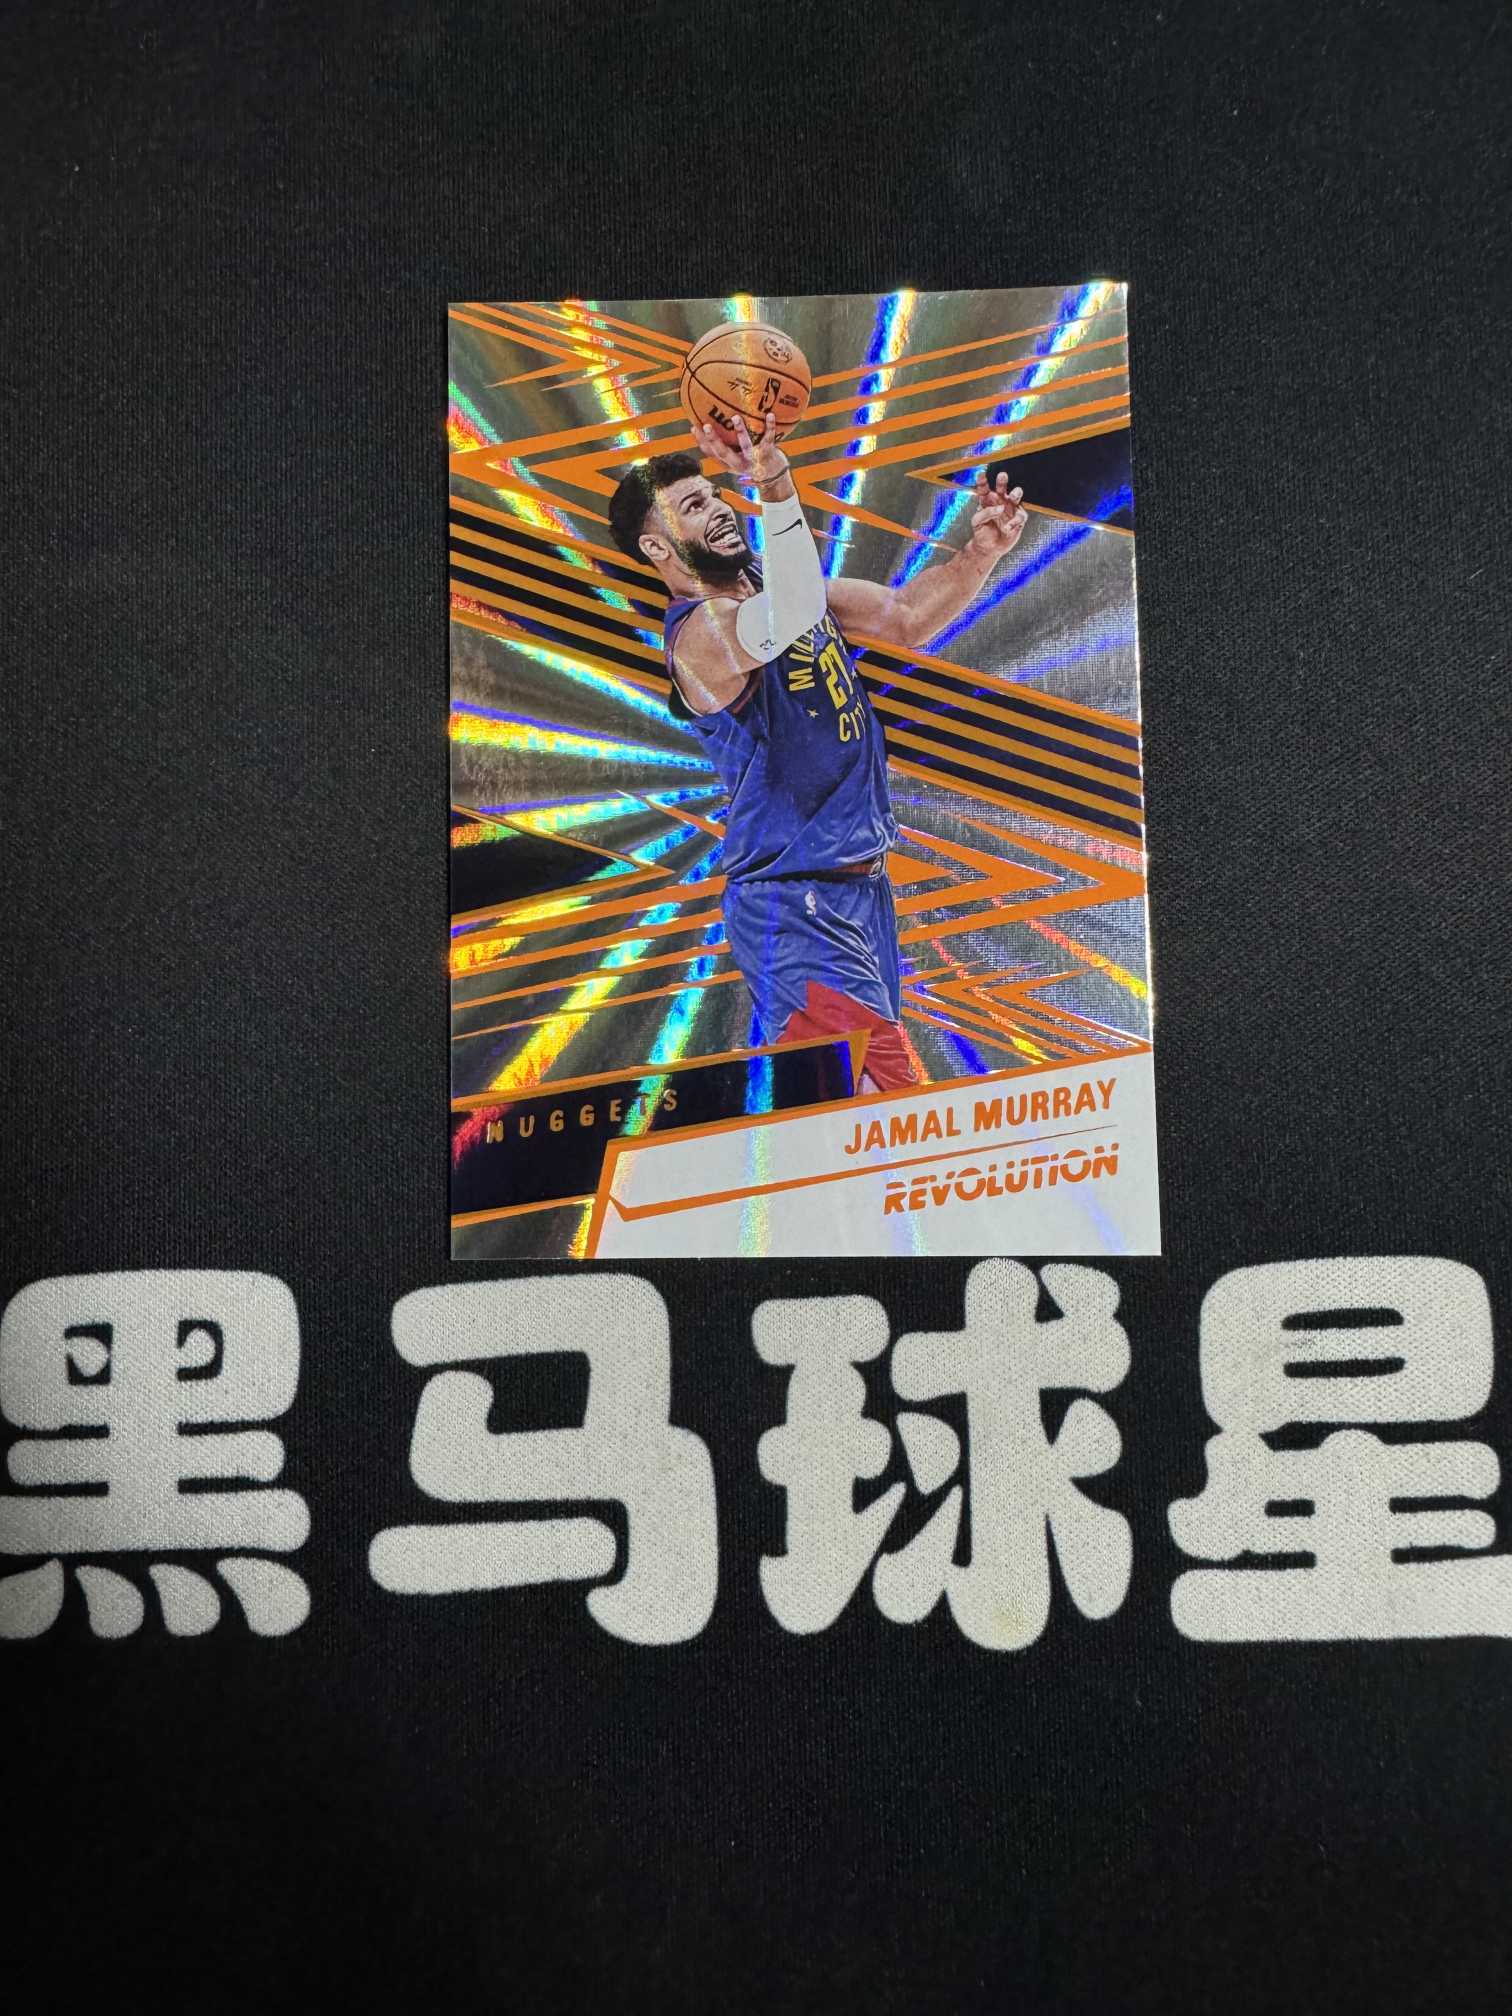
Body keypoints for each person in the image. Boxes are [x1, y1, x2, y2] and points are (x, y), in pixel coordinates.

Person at [608, 413, 1028, 1092]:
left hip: (861, 893)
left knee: (855, 1119)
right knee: (879, 1116)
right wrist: (774, 480)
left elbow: (904, 616)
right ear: (658, 548)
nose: (719, 507)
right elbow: (797, 609)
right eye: (693, 506)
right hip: (792, 904)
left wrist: (981, 553)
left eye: (715, 493)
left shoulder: (772, 586)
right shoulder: (699, 638)